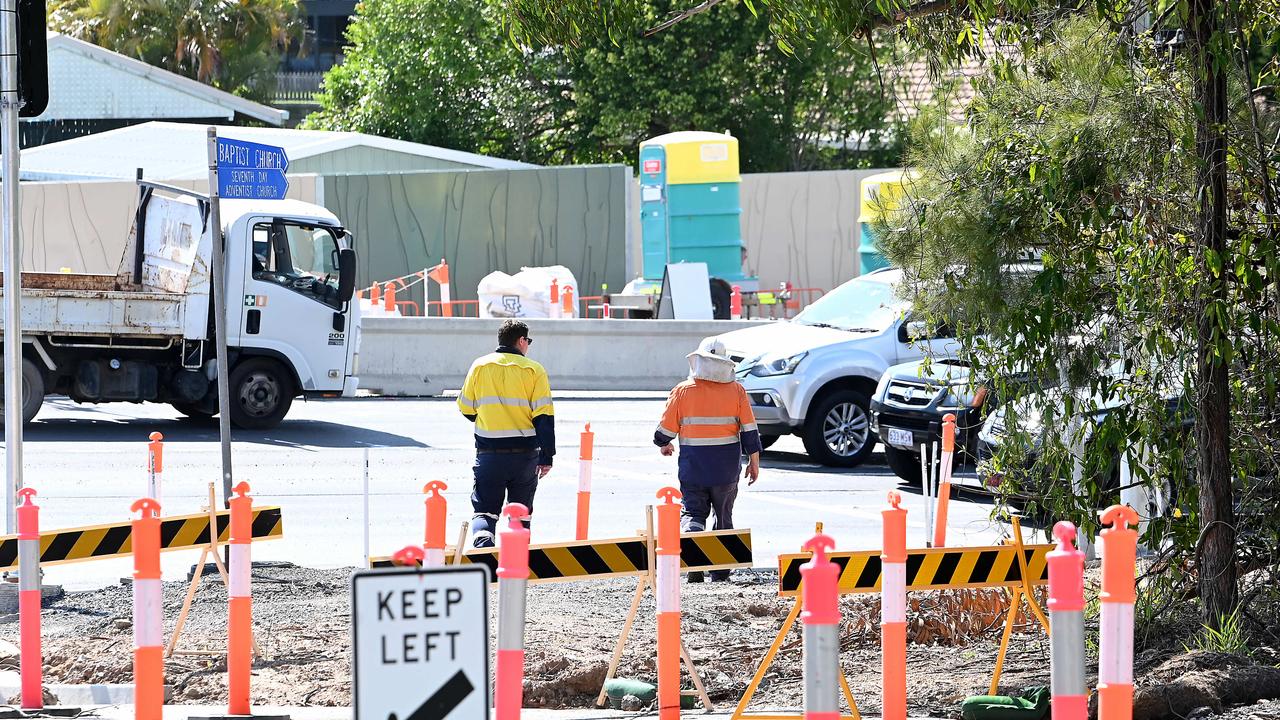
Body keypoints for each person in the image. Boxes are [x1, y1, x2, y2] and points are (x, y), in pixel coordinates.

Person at [654, 337, 761, 581]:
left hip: (693, 468)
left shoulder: (682, 391)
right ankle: (720, 571)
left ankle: (693, 567)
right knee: (723, 516)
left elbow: (664, 431)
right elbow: (749, 431)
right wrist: (754, 462)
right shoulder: (737, 391)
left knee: (693, 514)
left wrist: (664, 444)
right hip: (726, 470)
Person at [458, 320, 555, 547]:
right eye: (528, 341)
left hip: (489, 454)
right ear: (521, 341)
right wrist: (547, 456)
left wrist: (486, 416)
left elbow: (465, 407)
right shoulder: (534, 370)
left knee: (485, 512)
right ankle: (517, 567)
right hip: (525, 456)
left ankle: (485, 558)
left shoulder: (480, 366)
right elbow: (544, 418)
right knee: (520, 514)